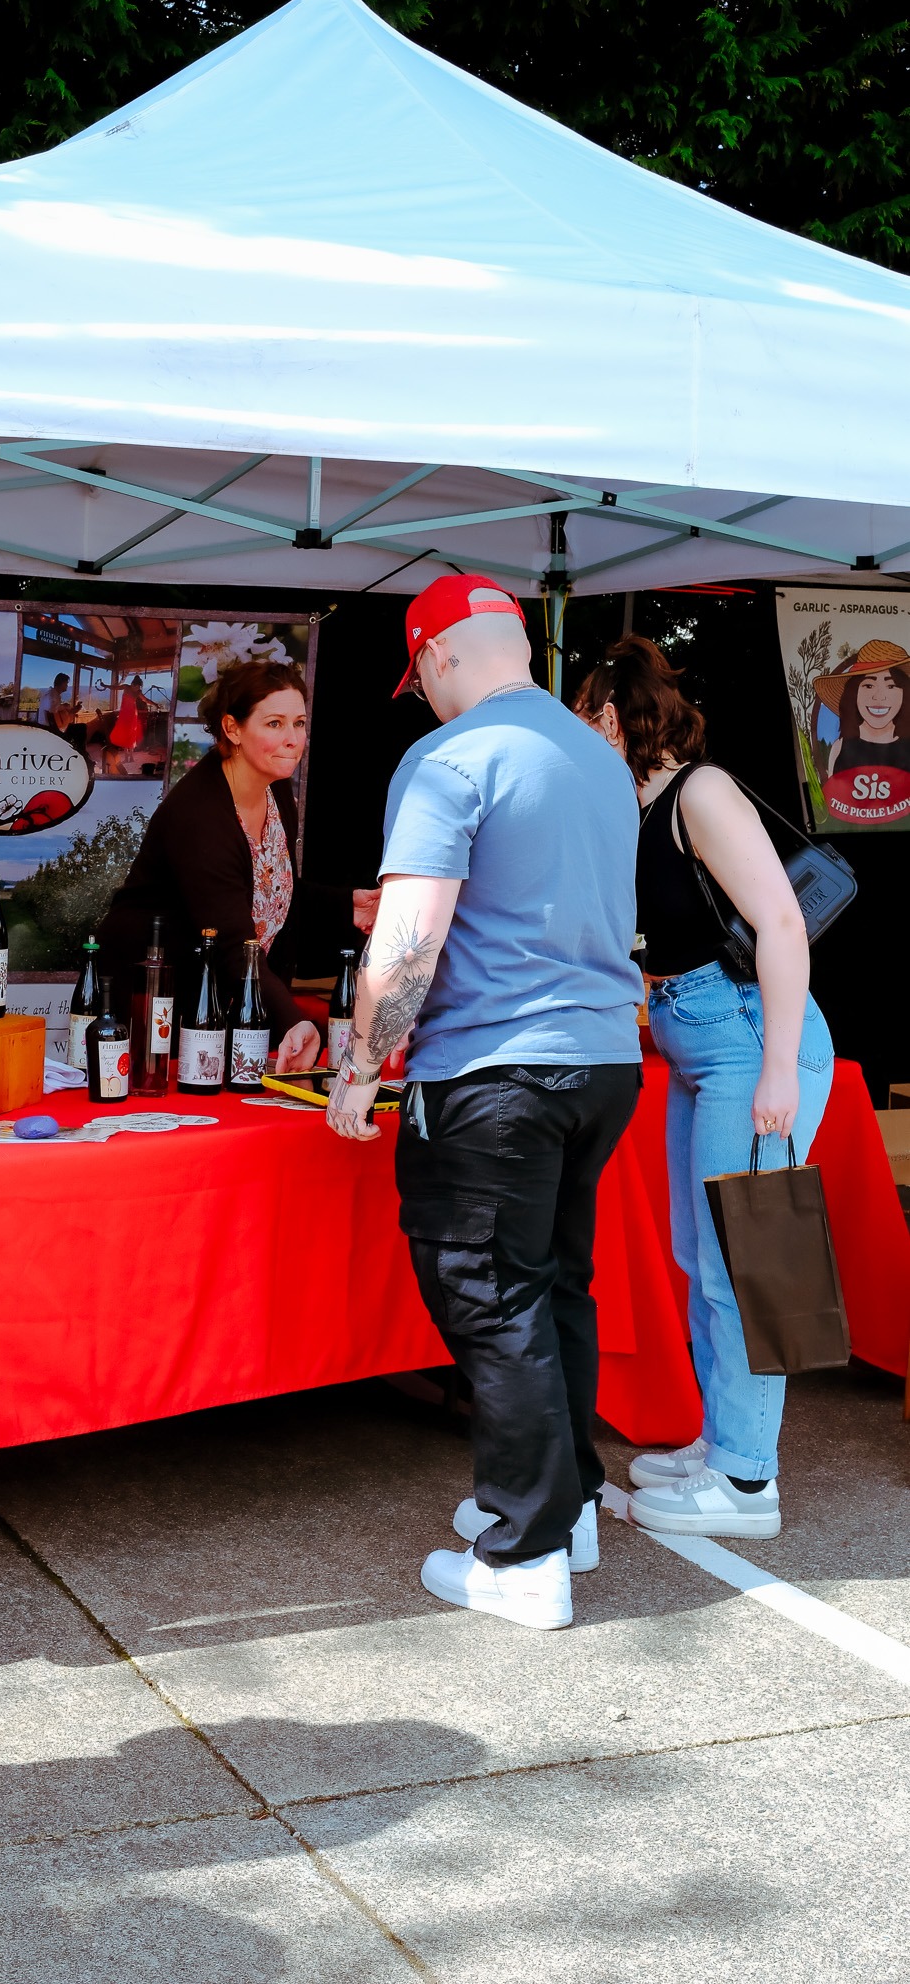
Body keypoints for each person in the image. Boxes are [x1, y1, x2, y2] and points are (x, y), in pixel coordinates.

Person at [326, 574, 643, 1632]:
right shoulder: (599, 760)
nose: (418, 694)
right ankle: (570, 1502)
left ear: (438, 655)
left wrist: (363, 1064)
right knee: (553, 1287)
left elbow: (408, 938)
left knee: (492, 1295)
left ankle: (525, 1551)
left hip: (493, 1070)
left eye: (416, 673)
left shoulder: (449, 757)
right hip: (600, 1059)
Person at [574, 636, 834, 1538]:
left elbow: (780, 924)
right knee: (703, 1259)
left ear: (609, 715)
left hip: (752, 1039)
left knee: (748, 1261)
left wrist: (776, 1071)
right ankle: (723, 1443)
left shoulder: (701, 791)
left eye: (584, 718)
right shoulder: (635, 805)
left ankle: (747, 1483)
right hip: (701, 1044)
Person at [99, 659, 379, 1068]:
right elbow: (230, 936)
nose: (293, 739)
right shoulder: (200, 815)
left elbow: (268, 890)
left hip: (220, 995)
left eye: (299, 723)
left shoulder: (276, 792)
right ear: (232, 729)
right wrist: (291, 1022)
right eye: (274, 724)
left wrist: (344, 907)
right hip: (154, 1005)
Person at [819, 639, 910, 778]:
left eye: (891, 686)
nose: (879, 697)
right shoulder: (839, 747)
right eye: (868, 686)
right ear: (854, 693)